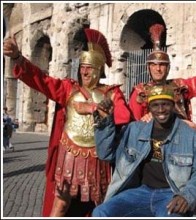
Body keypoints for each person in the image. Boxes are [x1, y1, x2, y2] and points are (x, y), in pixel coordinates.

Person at [3, 28, 131, 217]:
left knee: (100, 205)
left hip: (98, 158)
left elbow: (124, 117)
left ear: (99, 70)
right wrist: (18, 58)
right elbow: (42, 80)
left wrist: (94, 108)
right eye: (82, 67)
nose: (84, 71)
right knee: (60, 205)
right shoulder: (69, 89)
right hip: (69, 154)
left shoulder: (112, 93)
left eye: (90, 67)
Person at [92, 84, 196, 217]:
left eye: (165, 104)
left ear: (173, 105)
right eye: (155, 105)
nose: (161, 110)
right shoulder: (134, 130)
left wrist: (187, 196)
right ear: (149, 108)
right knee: (101, 212)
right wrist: (105, 122)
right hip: (140, 192)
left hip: (171, 195)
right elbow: (106, 154)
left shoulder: (192, 137)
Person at [129, 23, 196, 122]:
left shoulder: (179, 85)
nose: (158, 69)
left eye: (162, 65)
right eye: (154, 65)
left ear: (168, 68)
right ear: (148, 68)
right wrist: (144, 120)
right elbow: (134, 123)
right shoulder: (140, 91)